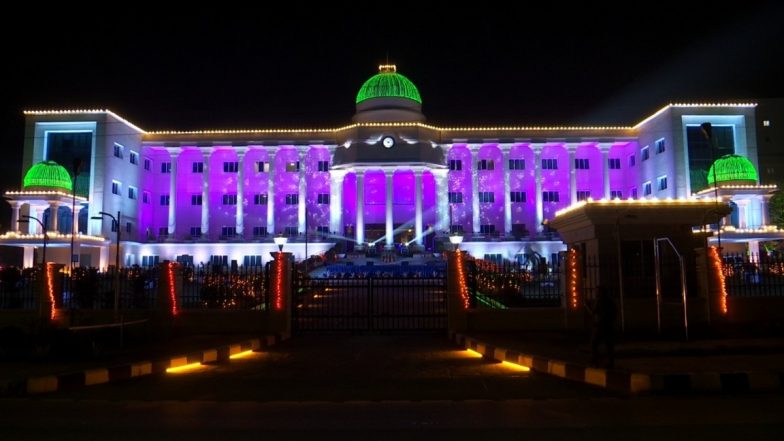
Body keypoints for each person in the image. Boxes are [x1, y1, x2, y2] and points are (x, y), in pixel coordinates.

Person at [586, 286, 616, 368]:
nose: (596, 293)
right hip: (608, 326)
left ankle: (595, 361)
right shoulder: (610, 301)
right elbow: (614, 313)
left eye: (597, 291)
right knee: (609, 345)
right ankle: (611, 362)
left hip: (600, 326)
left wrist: (587, 306)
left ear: (601, 292)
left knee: (594, 344)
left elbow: (594, 313)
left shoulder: (599, 301)